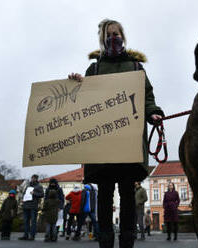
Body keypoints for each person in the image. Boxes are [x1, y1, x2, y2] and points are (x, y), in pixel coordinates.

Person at [69, 19, 164, 248]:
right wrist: (76, 86)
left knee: (127, 194)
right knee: (104, 193)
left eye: (116, 34)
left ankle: (127, 241)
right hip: (103, 142)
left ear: (123, 36)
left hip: (129, 141)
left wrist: (153, 113)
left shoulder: (136, 67)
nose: (113, 38)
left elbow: (147, 96)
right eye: (109, 35)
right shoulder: (94, 69)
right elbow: (83, 102)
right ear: (103, 38)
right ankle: (105, 240)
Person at [19, 174, 44, 241]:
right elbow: (23, 193)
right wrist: (22, 199)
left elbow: (42, 194)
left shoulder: (39, 186)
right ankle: (25, 235)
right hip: (26, 205)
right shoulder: (27, 185)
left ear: (36, 179)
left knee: (33, 221)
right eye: (32, 178)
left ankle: (32, 235)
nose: (33, 179)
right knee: (26, 221)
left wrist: (34, 193)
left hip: (33, 206)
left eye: (34, 178)